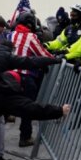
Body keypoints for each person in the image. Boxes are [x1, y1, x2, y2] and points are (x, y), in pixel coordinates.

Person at [10, 11, 54, 147]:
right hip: (25, 77)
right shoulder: (30, 37)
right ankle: (25, 137)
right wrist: (55, 59)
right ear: (30, 23)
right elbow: (42, 54)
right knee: (27, 107)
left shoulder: (11, 34)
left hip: (9, 74)